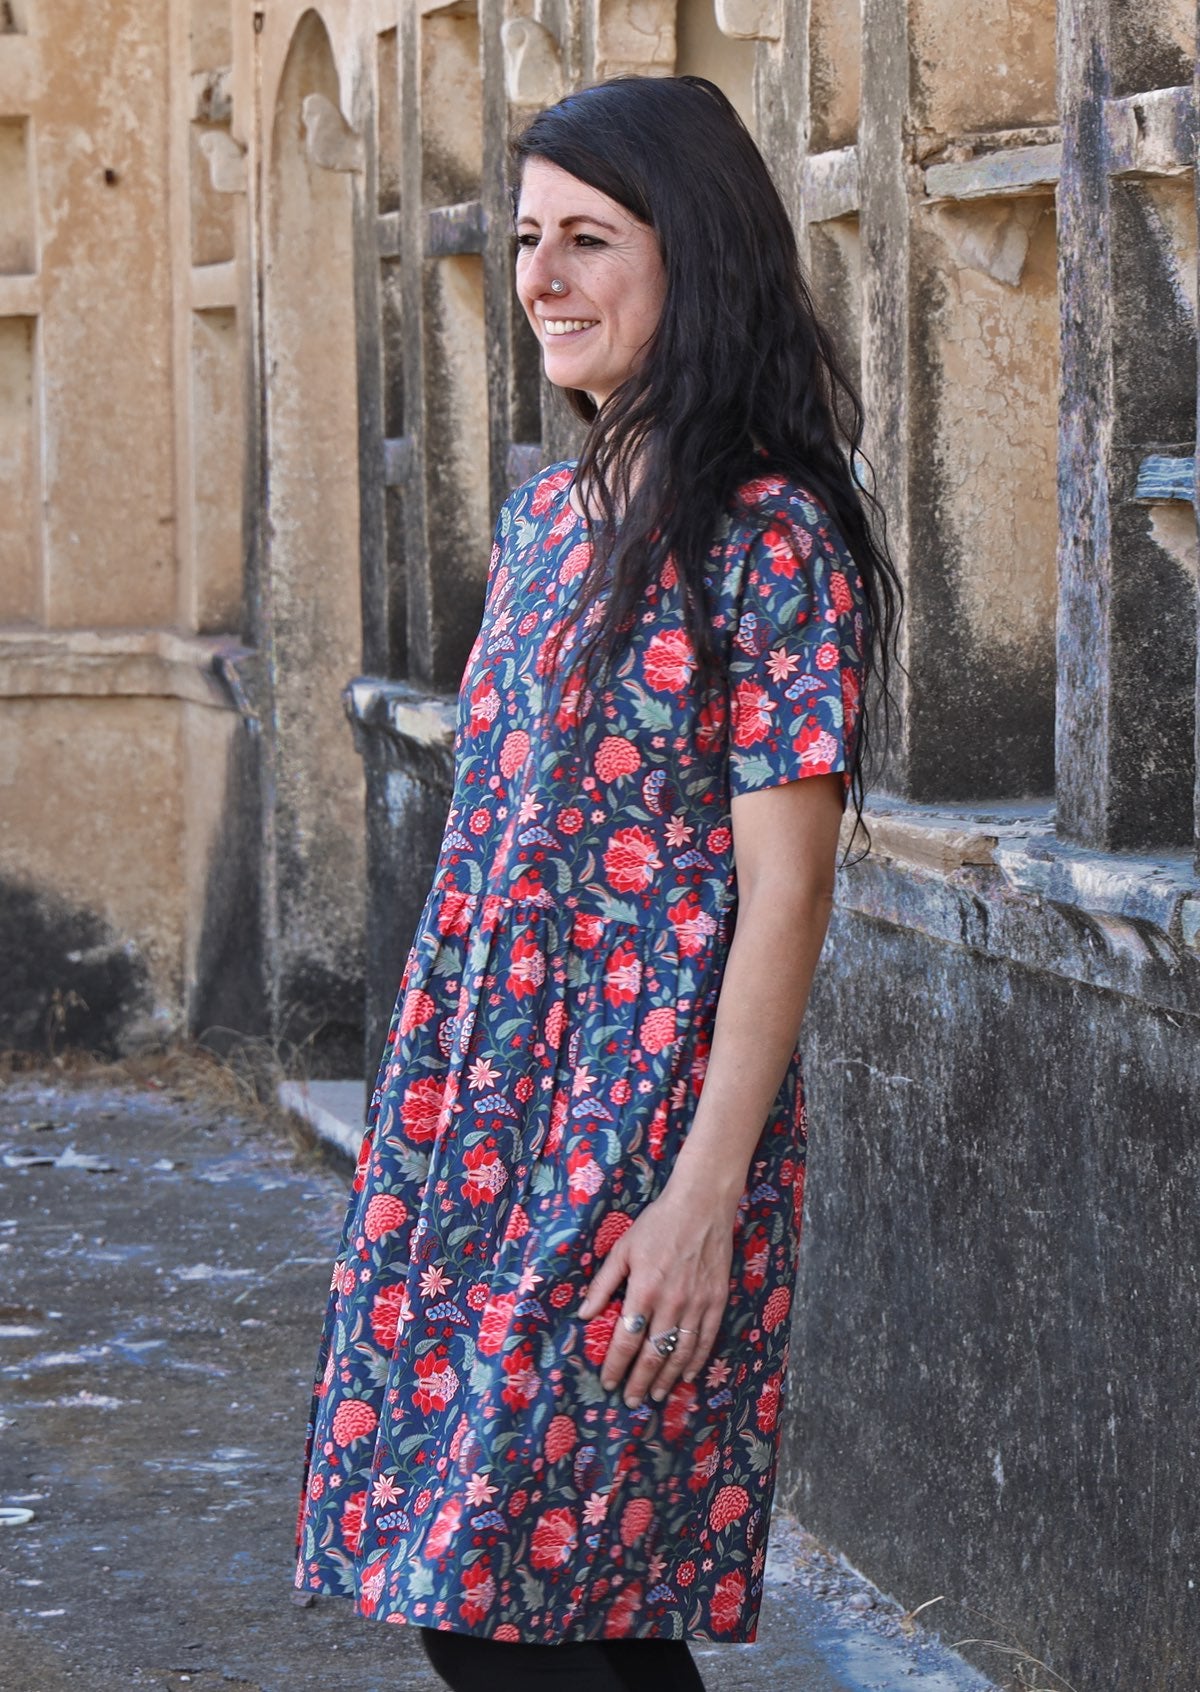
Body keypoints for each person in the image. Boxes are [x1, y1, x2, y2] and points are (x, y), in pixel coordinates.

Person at [294, 73, 901, 1692]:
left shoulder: (769, 536)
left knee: (514, 1595)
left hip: (638, 1128)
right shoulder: (550, 517)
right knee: (526, 1597)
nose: (542, 280)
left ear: (690, 260)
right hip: (477, 1114)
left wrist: (701, 1202)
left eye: (589, 241)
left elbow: (790, 893)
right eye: (526, 240)